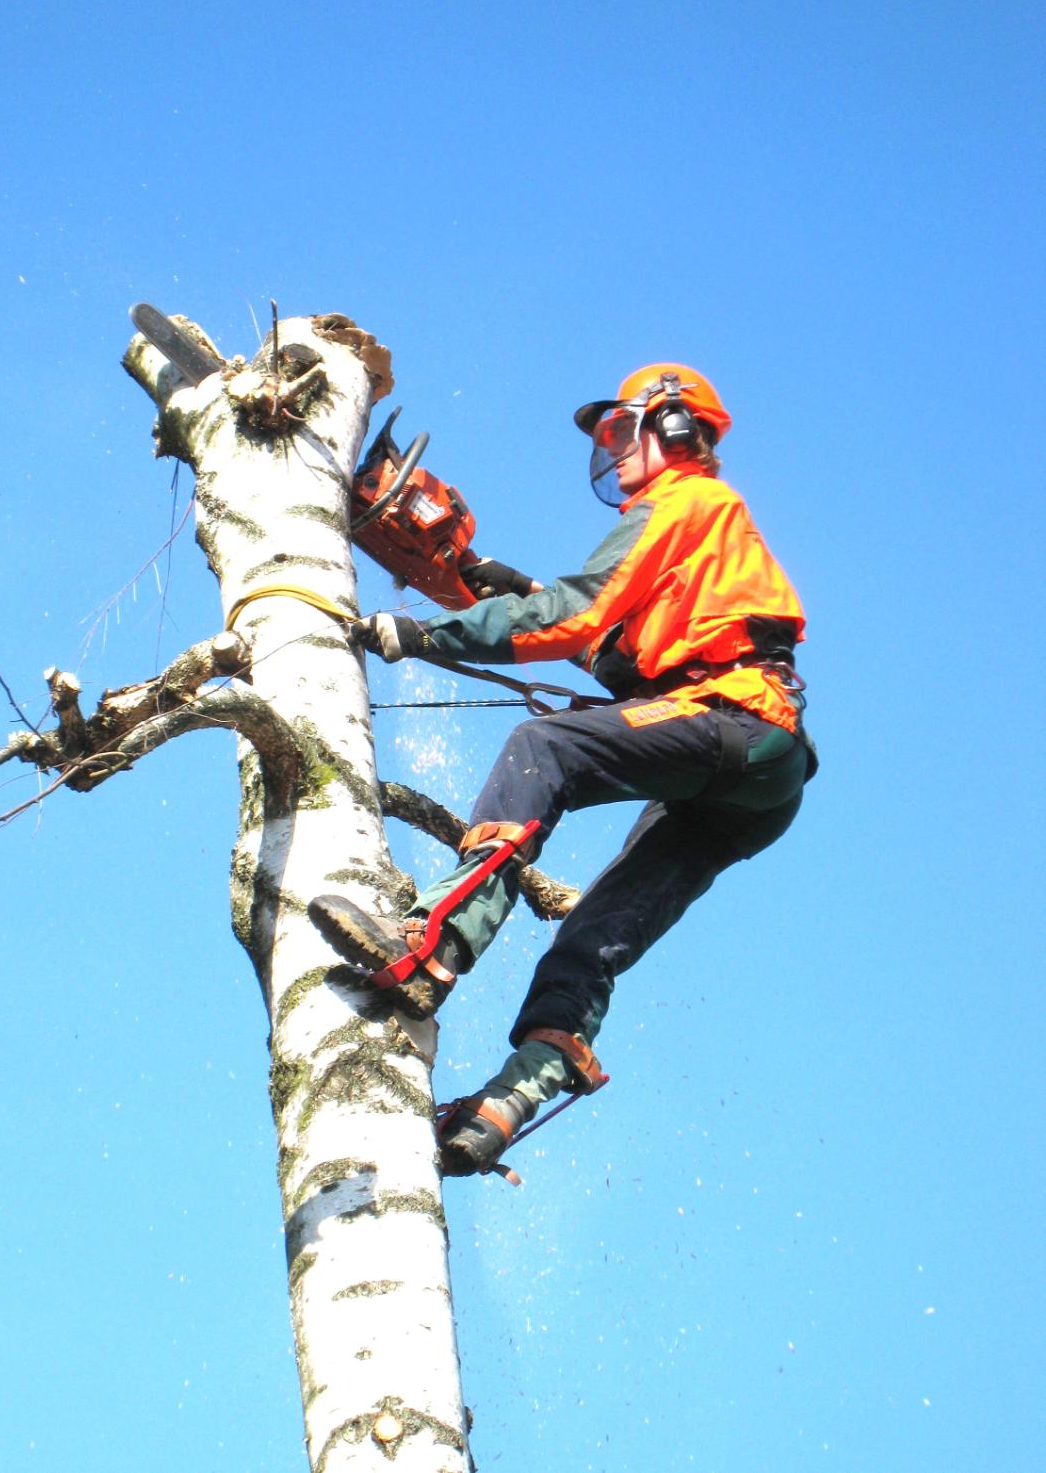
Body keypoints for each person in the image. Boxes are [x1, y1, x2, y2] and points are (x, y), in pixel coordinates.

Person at [310, 363, 816, 1177]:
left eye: (623, 434)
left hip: (738, 715)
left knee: (545, 749)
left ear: (677, 430)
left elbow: (576, 611)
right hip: (753, 779)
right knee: (595, 933)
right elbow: (606, 644)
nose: (612, 455)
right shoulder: (701, 549)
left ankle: (432, 947)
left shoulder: (689, 501)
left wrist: (422, 636)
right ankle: (511, 1101)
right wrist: (478, 585)